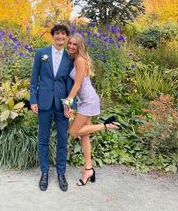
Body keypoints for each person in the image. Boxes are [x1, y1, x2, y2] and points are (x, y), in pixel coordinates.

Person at [62, 32, 121, 186]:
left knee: (74, 132)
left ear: (80, 46)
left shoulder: (80, 60)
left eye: (75, 44)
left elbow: (77, 84)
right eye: (70, 43)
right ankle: (89, 169)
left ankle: (106, 126)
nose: (71, 46)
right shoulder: (75, 59)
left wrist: (67, 103)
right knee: (85, 135)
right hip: (86, 100)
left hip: (88, 100)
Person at [30, 24, 75, 192]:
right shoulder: (41, 53)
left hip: (62, 105)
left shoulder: (69, 57)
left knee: (63, 140)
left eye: (63, 34)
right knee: (43, 139)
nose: (60, 37)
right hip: (44, 103)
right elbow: (34, 79)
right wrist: (33, 99)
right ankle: (44, 173)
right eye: (57, 34)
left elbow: (71, 84)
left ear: (67, 37)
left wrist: (69, 105)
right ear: (53, 35)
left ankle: (61, 174)